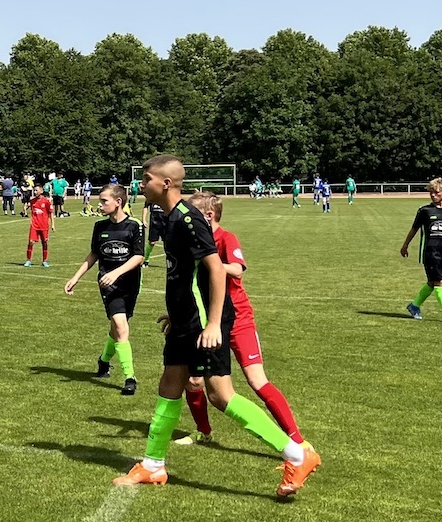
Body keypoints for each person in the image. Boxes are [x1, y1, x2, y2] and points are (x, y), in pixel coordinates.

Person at [112, 155, 320, 497]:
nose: (141, 184)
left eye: (146, 179)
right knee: (170, 384)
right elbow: (184, 276)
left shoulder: (189, 219)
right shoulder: (167, 217)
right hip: (185, 320)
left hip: (203, 323)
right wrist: (176, 314)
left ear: (165, 183)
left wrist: (212, 324)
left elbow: (216, 271)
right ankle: (153, 465)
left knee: (221, 395)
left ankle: (297, 455)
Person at [175, 192, 310, 448]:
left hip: (238, 319)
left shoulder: (226, 238)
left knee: (257, 380)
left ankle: (298, 441)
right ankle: (203, 432)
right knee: (193, 381)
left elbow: (237, 269)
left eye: (192, 213)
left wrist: (213, 263)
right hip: (207, 318)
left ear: (208, 215)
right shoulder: (193, 240)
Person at [64, 184, 145, 396]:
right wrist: (76, 277)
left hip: (130, 284)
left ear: (118, 202)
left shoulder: (135, 225)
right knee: (121, 326)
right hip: (108, 284)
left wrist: (117, 272)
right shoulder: (100, 226)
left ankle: (103, 360)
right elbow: (94, 254)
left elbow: (139, 256)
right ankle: (130, 377)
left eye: (103, 201)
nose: (99, 205)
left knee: (117, 328)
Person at [402, 178, 442, 324]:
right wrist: (405, 245)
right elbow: (414, 229)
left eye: (436, 193)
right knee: (440, 282)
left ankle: (414, 306)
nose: (433, 195)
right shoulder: (424, 211)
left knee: (432, 282)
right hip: (429, 252)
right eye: (431, 193)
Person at [25, 185, 54, 267]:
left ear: (41, 191)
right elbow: (28, 207)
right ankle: (28, 260)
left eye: (36, 190)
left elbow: (51, 212)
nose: (35, 192)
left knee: (44, 242)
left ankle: (44, 261)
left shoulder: (46, 201)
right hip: (34, 225)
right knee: (31, 242)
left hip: (44, 226)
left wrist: (53, 224)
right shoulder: (32, 201)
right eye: (34, 190)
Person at [141, 199, 167, 267]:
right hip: (154, 222)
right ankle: (146, 260)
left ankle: (170, 260)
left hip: (165, 222)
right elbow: (146, 207)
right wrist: (144, 219)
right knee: (152, 242)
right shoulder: (152, 195)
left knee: (167, 242)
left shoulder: (166, 195)